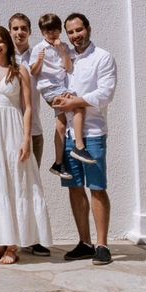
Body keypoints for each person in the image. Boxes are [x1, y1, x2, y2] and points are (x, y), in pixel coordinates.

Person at [0, 26, 52, 265]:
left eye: (0, 41)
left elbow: (28, 107)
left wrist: (26, 138)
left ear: (7, 43)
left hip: (13, 131)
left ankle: (13, 245)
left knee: (16, 183)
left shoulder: (20, 71)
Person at [54, 13, 117, 266]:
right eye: (71, 32)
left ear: (88, 29)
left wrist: (75, 101)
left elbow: (105, 93)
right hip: (70, 132)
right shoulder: (68, 58)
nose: (75, 35)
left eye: (79, 30)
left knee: (97, 188)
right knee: (74, 187)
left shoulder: (102, 57)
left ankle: (102, 245)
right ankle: (84, 242)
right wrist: (64, 98)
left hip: (92, 133)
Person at [32, 13, 96, 179]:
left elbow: (68, 68)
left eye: (54, 31)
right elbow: (33, 71)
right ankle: (79, 147)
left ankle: (58, 164)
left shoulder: (65, 47)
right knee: (78, 107)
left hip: (61, 87)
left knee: (61, 124)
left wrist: (63, 52)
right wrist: (40, 60)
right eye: (47, 32)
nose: (52, 34)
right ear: (42, 33)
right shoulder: (39, 48)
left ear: (60, 31)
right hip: (49, 88)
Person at [8, 13, 50, 257]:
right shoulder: (5, 58)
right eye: (15, 28)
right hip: (10, 131)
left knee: (32, 185)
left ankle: (33, 239)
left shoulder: (39, 55)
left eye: (23, 28)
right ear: (10, 30)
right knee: (13, 185)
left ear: (30, 31)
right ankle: (12, 235)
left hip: (34, 131)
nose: (19, 32)